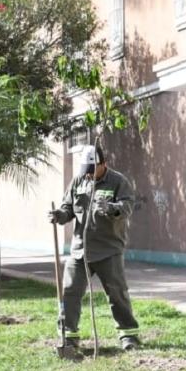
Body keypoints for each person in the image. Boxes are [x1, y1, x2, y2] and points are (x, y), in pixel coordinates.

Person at [47, 145, 140, 351]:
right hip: (80, 250)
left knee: (117, 294)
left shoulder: (118, 182)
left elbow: (127, 206)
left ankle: (128, 335)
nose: (89, 175)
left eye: (92, 170)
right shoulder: (79, 181)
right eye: (85, 171)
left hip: (109, 250)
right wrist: (60, 215)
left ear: (103, 164)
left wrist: (112, 208)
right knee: (69, 291)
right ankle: (69, 336)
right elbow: (68, 208)